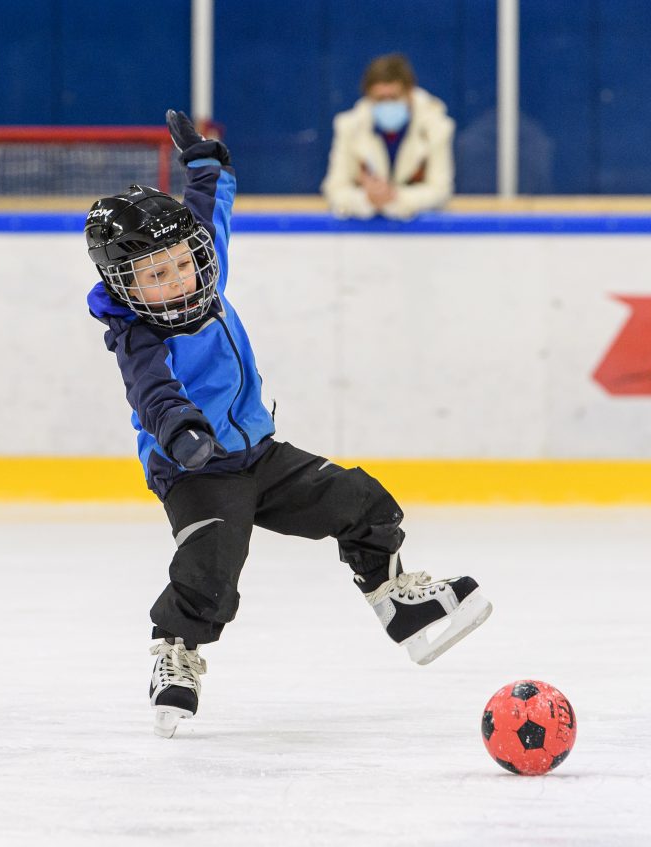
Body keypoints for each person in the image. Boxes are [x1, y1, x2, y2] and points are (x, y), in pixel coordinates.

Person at [84, 110, 491, 738]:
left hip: (259, 452)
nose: (178, 279)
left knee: (360, 500)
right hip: (195, 467)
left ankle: (396, 605)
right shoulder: (139, 337)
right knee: (213, 565)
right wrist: (182, 431)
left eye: (181, 263)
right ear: (125, 284)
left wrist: (205, 163)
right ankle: (176, 653)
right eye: (155, 275)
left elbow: (210, 206)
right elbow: (154, 394)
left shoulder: (205, 267)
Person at [321, 53, 455, 220]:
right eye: (380, 99)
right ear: (368, 97)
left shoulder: (437, 127)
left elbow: (440, 191)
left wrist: (395, 197)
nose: (387, 104)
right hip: (365, 232)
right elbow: (334, 189)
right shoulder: (349, 126)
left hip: (421, 234)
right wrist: (365, 199)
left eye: (394, 97)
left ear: (409, 93)